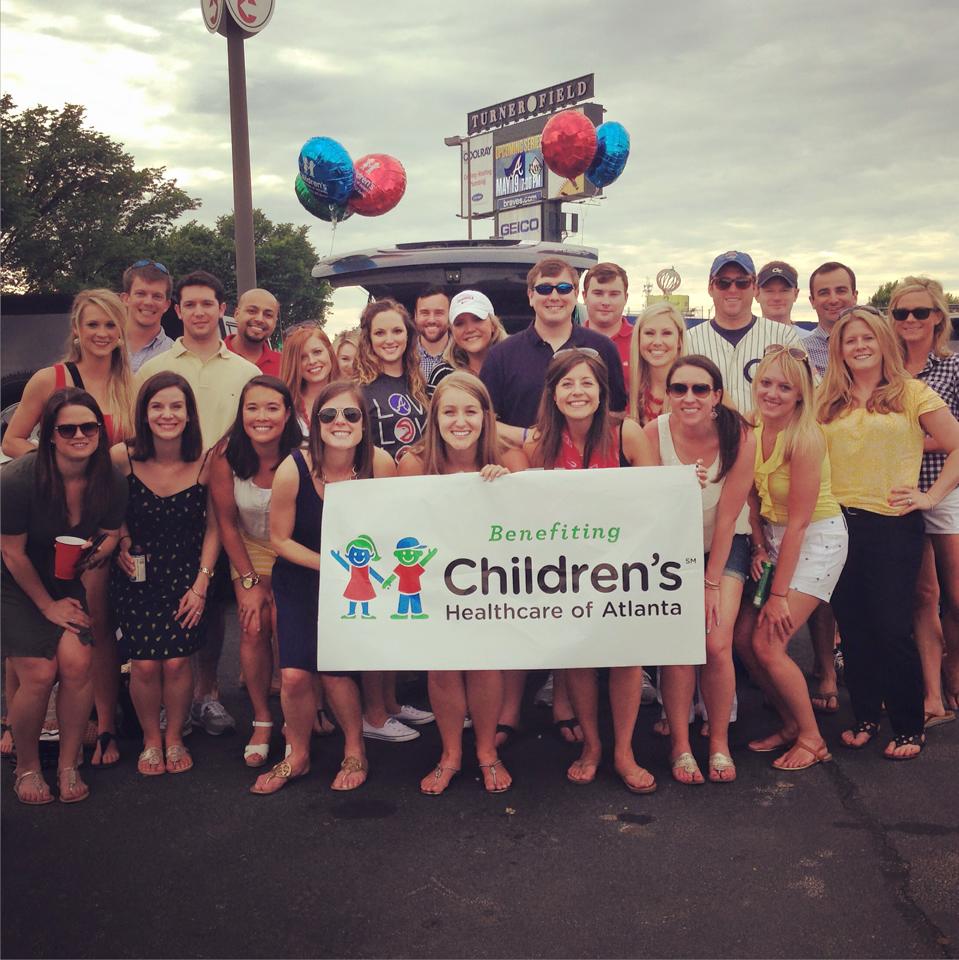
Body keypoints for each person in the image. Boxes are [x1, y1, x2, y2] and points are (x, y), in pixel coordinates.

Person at [2, 288, 137, 767]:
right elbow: (13, 439)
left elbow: (132, 455)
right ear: (76, 330)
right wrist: (59, 467)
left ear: (122, 331)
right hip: (47, 518)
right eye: (93, 325)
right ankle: (17, 722)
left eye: (111, 326)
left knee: (94, 621)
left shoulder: (130, 384)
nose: (102, 334)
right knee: (31, 617)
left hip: (101, 519)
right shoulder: (51, 378)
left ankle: (102, 724)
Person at [817, 306, 959, 759]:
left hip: (893, 525)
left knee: (892, 627)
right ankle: (864, 718)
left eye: (867, 338)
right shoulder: (828, 398)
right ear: (838, 348)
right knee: (854, 629)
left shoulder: (911, 393)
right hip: (838, 526)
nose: (858, 346)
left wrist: (931, 496)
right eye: (849, 340)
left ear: (882, 342)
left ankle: (908, 726)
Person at [251, 380, 397, 795]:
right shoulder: (292, 468)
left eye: (350, 414)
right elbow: (278, 539)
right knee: (295, 676)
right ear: (314, 423)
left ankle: (355, 749)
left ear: (364, 423)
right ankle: (296, 754)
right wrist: (331, 567)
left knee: (335, 672)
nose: (340, 422)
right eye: (328, 414)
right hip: (302, 578)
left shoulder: (380, 463)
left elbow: (394, 525)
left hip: (356, 583)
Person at [524, 350, 660, 793]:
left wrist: (681, 488)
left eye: (586, 383)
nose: (577, 392)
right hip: (565, 573)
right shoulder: (537, 443)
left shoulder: (628, 434)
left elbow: (657, 500)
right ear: (553, 392)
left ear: (602, 391)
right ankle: (593, 746)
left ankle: (623, 751)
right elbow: (518, 511)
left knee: (626, 658)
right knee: (578, 658)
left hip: (624, 568)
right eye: (567, 384)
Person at [136, 270, 259, 735]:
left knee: (213, 602)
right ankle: (175, 702)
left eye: (208, 303)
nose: (200, 311)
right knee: (173, 597)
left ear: (222, 309)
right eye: (190, 304)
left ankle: (207, 694)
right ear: (178, 310)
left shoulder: (246, 373)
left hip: (228, 501)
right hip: (169, 500)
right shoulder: (154, 370)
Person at [398, 371, 522, 794]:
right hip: (435, 581)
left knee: (486, 664)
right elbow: (401, 530)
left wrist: (506, 489)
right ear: (434, 418)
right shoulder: (413, 463)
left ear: (487, 416)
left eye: (470, 411)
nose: (460, 421)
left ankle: (487, 752)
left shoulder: (511, 458)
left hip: (492, 581)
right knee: (444, 667)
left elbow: (532, 525)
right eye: (449, 412)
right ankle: (450, 754)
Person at [1, 389, 127, 803]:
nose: (79, 435)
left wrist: (101, 552)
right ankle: (27, 766)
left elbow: (110, 533)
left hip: (63, 577)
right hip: (15, 582)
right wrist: (46, 606)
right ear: (49, 435)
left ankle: (68, 764)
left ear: (99, 431)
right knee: (39, 671)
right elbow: (10, 551)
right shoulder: (18, 479)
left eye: (87, 427)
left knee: (77, 663)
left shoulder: (109, 478)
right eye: (67, 428)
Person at [643, 356, 755, 784]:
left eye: (700, 389)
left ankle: (720, 742)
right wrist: (676, 491)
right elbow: (648, 503)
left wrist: (710, 583)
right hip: (672, 547)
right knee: (678, 642)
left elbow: (729, 518)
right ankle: (680, 744)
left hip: (723, 544)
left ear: (717, 396)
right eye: (679, 389)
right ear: (668, 394)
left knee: (716, 643)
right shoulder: (654, 431)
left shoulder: (740, 434)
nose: (689, 397)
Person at [737, 348, 848, 770]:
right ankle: (788, 723)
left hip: (816, 538)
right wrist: (761, 547)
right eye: (766, 383)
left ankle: (812, 738)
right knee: (743, 639)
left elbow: (800, 522)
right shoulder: (753, 427)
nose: (773, 393)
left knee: (769, 642)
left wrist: (778, 594)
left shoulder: (806, 437)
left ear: (801, 395)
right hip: (776, 538)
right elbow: (751, 494)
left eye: (785, 387)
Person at [110, 373, 219, 776]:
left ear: (189, 414)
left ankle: (174, 736)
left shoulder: (206, 462)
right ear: (144, 412)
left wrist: (202, 583)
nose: (167, 414)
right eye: (157, 406)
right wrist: (120, 537)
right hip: (137, 577)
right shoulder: (122, 457)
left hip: (186, 578)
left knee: (175, 664)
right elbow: (108, 508)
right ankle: (150, 740)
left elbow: (215, 527)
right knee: (142, 664)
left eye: (176, 406)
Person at [209, 376, 303, 766]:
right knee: (252, 622)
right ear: (241, 413)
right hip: (249, 546)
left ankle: (300, 709)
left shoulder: (303, 453)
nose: (261, 416)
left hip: (294, 545)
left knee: (287, 619)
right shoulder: (225, 455)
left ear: (287, 414)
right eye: (252, 408)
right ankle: (262, 717)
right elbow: (227, 524)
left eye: (271, 408)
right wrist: (247, 581)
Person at [890, 278, 959, 726]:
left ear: (938, 316)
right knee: (921, 595)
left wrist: (912, 438)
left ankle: (954, 675)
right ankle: (932, 694)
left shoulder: (954, 369)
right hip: (899, 492)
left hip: (946, 490)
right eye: (901, 313)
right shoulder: (887, 371)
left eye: (920, 312)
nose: (910, 320)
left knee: (956, 596)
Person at [480, 257, 627, 432]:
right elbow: (484, 421)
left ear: (576, 294)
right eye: (544, 289)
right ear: (530, 296)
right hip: (522, 457)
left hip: (585, 458)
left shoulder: (603, 348)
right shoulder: (500, 356)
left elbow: (616, 415)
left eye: (564, 289)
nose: (554, 297)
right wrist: (527, 438)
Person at [685, 251, 808, 416]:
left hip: (769, 438)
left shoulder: (784, 336)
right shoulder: (689, 339)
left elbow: (809, 391)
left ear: (755, 288)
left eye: (742, 282)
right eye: (723, 283)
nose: (733, 289)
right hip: (707, 438)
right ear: (710, 288)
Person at [355, 298, 429, 461]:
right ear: (369, 339)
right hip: (380, 482)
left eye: (397, 331)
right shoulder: (358, 390)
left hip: (422, 481)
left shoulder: (420, 384)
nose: (389, 340)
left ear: (408, 335)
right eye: (380, 333)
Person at [426, 290, 508, 396]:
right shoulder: (442, 374)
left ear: (493, 324)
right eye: (459, 323)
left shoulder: (515, 368)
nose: (469, 329)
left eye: (477, 319)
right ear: (452, 331)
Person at [628, 302, 687, 425]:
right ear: (638, 339)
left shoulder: (702, 390)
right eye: (649, 333)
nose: (657, 342)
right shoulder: (627, 390)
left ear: (679, 341)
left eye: (666, 333)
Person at [280, 324, 340, 432]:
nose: (312, 361)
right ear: (293, 363)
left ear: (329, 352)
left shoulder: (352, 396)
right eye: (302, 357)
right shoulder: (284, 404)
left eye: (317, 352)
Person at [803, 261, 858, 378]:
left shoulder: (877, 346)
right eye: (824, 293)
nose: (833, 300)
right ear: (812, 301)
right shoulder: (802, 353)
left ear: (855, 296)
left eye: (841, 291)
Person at [121, 259, 174, 373]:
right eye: (140, 294)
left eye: (157, 296)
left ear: (166, 305)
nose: (148, 302)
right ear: (126, 299)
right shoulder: (103, 346)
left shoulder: (175, 356)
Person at [582, 262, 632, 377]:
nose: (606, 302)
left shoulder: (641, 342)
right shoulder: (571, 342)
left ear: (626, 297)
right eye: (598, 293)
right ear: (584, 296)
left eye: (614, 294)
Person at [225, 288, 282, 377]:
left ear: (275, 322)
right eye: (252, 311)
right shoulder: (213, 357)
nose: (259, 319)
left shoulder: (284, 365)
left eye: (268, 315)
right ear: (236, 314)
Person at [756, 261, 806, 336]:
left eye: (784, 291)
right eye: (769, 291)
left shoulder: (810, 342)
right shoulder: (743, 340)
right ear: (757, 294)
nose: (777, 298)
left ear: (796, 294)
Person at [413, 286, 451, 381]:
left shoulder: (463, 354)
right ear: (415, 316)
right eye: (425, 313)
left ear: (450, 316)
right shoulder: (403, 355)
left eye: (439, 313)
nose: (431, 320)